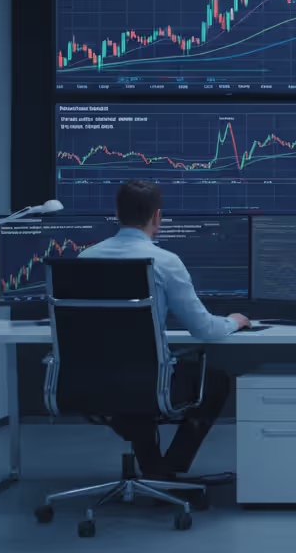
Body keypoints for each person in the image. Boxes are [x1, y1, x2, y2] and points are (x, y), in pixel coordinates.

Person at [80, 179, 250, 479]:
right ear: (157, 216)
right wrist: (235, 321)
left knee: (131, 383)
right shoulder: (165, 262)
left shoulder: (84, 259)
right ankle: (167, 470)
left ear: (116, 213)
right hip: (147, 382)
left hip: (91, 382)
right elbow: (205, 329)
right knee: (214, 380)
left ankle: (155, 470)